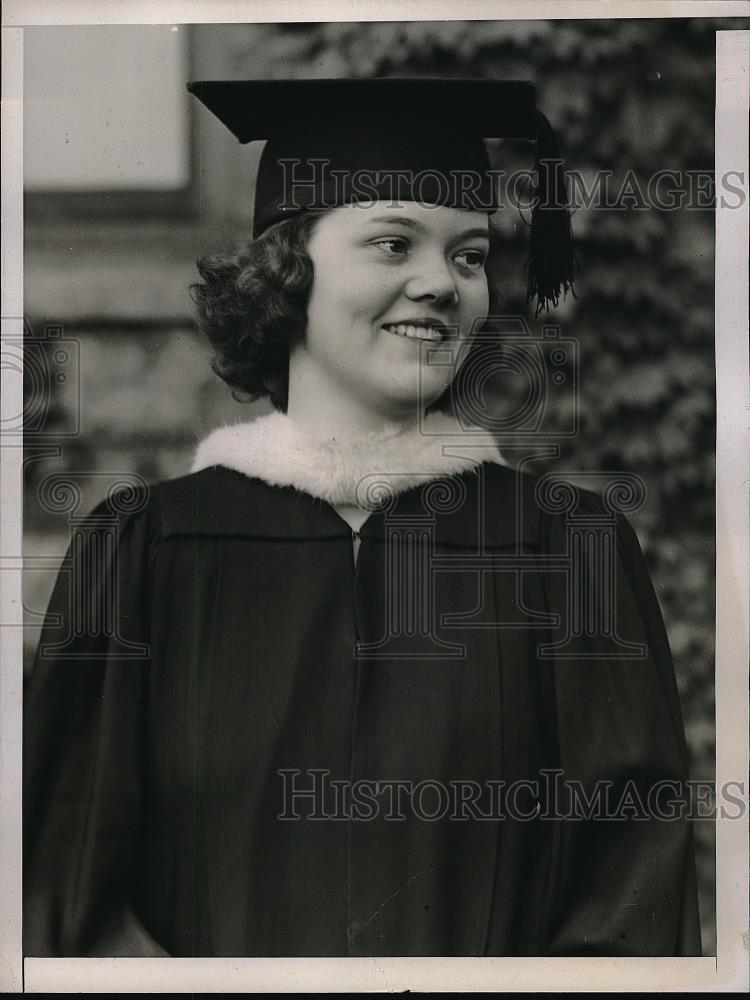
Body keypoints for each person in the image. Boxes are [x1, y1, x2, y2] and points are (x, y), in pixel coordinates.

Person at [23, 78, 701, 957]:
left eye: (468, 256)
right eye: (392, 244)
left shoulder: (567, 552)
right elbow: (64, 895)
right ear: (287, 269)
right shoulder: (144, 551)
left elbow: (630, 894)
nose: (442, 284)